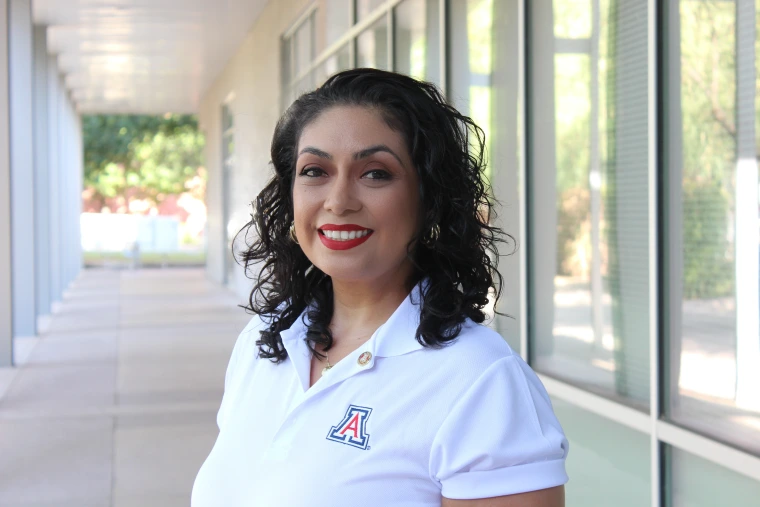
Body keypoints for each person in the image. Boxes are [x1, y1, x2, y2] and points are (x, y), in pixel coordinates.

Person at [192, 68, 569, 507]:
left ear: (429, 200)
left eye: (375, 174)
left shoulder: (481, 381)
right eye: (315, 170)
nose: (338, 201)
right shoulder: (266, 340)